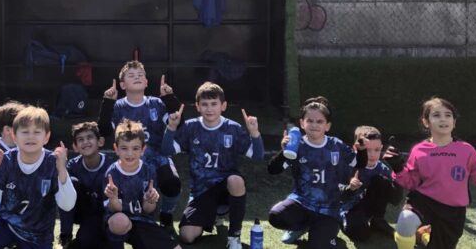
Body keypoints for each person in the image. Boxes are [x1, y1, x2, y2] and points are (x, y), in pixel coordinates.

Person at [385, 97, 476, 249]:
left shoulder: (466, 150)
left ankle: (423, 234)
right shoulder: (419, 150)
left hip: (453, 210)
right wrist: (397, 167)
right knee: (406, 220)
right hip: (423, 200)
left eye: (448, 115)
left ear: (454, 122)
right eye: (436, 115)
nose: (443, 119)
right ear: (426, 122)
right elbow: (411, 182)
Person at [161, 81, 265, 249]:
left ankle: (234, 236)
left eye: (214, 104)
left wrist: (254, 133)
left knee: (236, 180)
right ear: (197, 106)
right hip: (201, 191)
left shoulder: (233, 128)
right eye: (205, 104)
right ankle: (214, 214)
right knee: (187, 237)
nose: (209, 108)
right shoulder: (190, 127)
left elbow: (258, 156)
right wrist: (171, 128)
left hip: (226, 187)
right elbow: (167, 151)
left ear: (223, 106)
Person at [0, 105, 76, 249]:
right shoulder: (5, 160)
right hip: (5, 223)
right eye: (25, 132)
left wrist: (62, 170)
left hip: (37, 236)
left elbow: (68, 205)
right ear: (14, 136)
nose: (31, 136)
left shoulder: (53, 162)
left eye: (37, 132)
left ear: (46, 137)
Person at [267, 96, 367, 248]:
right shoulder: (297, 145)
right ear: (302, 123)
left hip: (329, 208)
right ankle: (301, 226)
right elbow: (273, 170)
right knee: (276, 216)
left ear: (327, 126)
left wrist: (362, 151)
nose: (314, 125)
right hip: (302, 203)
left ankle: (325, 234)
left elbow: (359, 163)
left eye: (319, 121)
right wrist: (284, 152)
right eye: (310, 121)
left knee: (318, 245)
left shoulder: (336, 145)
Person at [97, 61, 182, 230]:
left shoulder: (156, 103)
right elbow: (104, 131)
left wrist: (169, 98)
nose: (137, 77)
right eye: (131, 75)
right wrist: (107, 102)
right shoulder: (118, 106)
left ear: (146, 82)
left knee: (172, 182)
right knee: (127, 191)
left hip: (157, 156)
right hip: (129, 158)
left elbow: (178, 123)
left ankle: (166, 214)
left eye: (140, 75)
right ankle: (126, 217)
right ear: (122, 85)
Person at [104, 120, 181, 249]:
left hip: (142, 221)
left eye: (135, 148)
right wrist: (113, 198)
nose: (130, 153)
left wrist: (150, 200)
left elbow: (147, 210)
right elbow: (114, 210)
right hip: (118, 220)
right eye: (124, 148)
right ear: (116, 149)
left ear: (143, 149)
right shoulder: (111, 173)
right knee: (120, 222)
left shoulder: (148, 170)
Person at [339, 126, 402, 242]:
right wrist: (350, 188)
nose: (372, 155)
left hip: (366, 207)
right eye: (367, 150)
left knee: (381, 180)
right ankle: (343, 221)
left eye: (377, 150)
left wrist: (398, 170)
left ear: (381, 148)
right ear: (356, 148)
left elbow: (395, 200)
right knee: (362, 236)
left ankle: (377, 220)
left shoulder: (382, 168)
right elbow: (336, 195)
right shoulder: (347, 166)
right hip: (349, 208)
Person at [59, 121, 115, 248]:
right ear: (75, 147)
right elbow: (64, 195)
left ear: (100, 141)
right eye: (80, 140)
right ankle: (66, 237)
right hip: (82, 212)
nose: (85, 142)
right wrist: (61, 165)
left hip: (104, 213)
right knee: (69, 183)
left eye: (90, 137)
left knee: (88, 239)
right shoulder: (73, 165)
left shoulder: (111, 166)